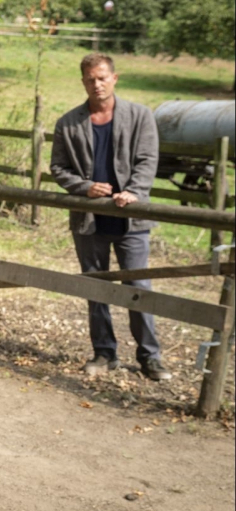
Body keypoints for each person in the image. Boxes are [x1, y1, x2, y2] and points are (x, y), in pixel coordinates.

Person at [50, 53, 171, 381]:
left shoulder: (140, 116)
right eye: (90, 79)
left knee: (138, 287)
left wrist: (134, 191)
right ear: (83, 82)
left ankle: (150, 357)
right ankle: (104, 353)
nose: (97, 84)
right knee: (96, 285)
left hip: (131, 219)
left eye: (102, 77)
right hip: (89, 220)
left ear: (115, 78)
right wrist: (85, 187)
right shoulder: (68, 123)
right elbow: (58, 168)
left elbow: (148, 160)